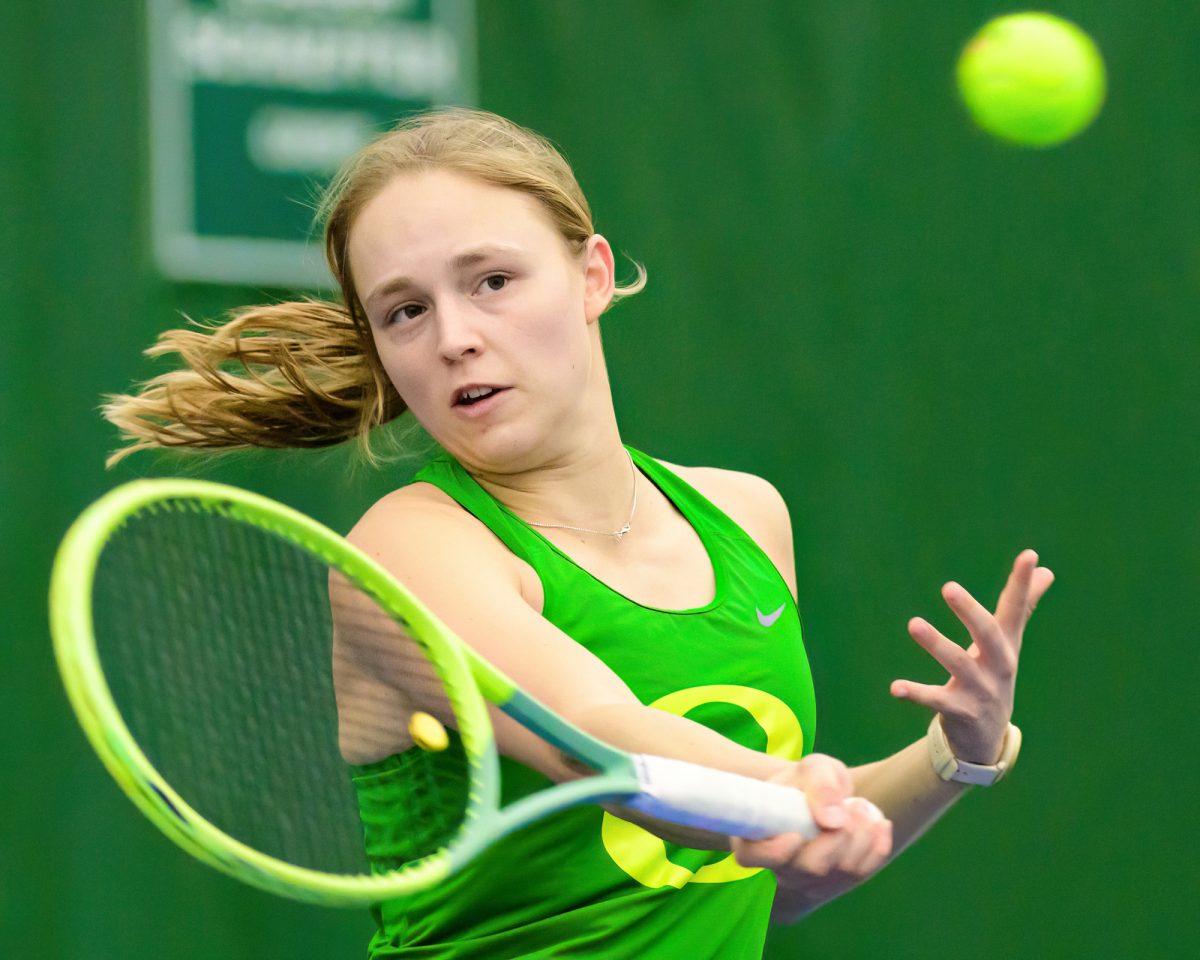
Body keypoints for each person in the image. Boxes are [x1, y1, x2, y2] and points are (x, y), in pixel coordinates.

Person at [103, 107, 1054, 958]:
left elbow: (777, 885)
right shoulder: (410, 550)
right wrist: (781, 790)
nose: (454, 338)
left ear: (591, 275)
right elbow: (592, 742)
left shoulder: (748, 515)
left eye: (492, 281)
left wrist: (954, 753)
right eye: (405, 310)